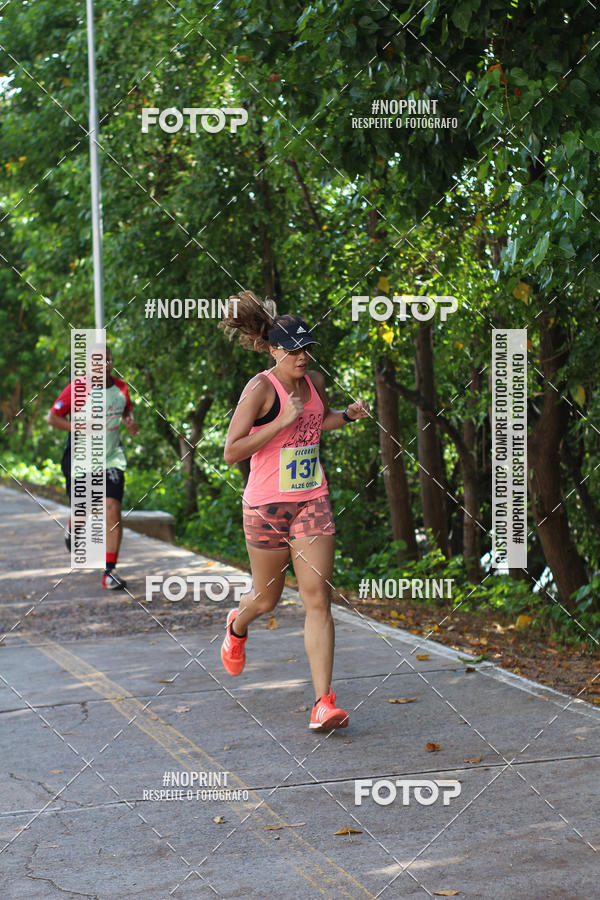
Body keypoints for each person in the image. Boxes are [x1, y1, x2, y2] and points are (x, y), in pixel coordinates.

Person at [219, 292, 369, 731]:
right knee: (266, 599)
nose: (302, 357)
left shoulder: (314, 382)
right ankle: (238, 623)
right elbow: (231, 451)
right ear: (273, 349)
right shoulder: (260, 389)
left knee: (317, 597)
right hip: (265, 506)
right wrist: (281, 421)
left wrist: (348, 416)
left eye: (306, 348)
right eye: (293, 349)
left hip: (311, 499)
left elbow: (316, 422)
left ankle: (324, 702)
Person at [47, 345, 139, 589]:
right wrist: (79, 427)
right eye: (97, 361)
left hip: (111, 459)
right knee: (83, 511)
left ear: (111, 361)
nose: (103, 364)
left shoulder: (121, 387)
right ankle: (73, 526)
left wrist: (130, 423)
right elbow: (53, 418)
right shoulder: (77, 389)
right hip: (80, 460)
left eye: (107, 359)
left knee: (112, 508)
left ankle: (109, 572)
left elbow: (126, 410)